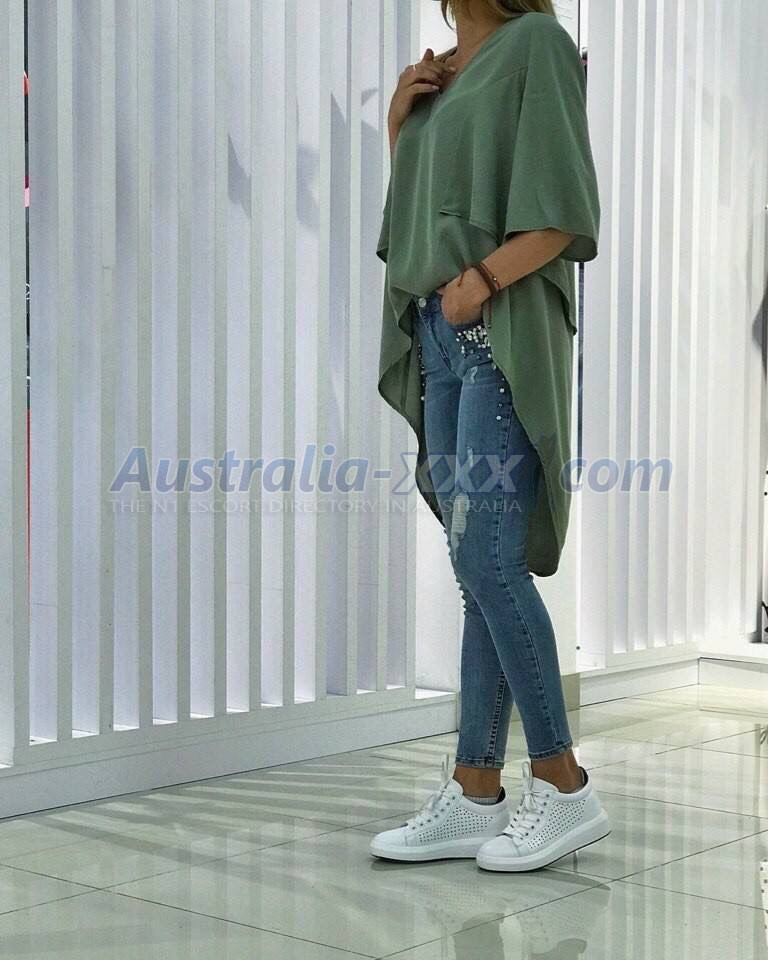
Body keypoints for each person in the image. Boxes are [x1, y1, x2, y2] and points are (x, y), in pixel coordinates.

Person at [370, 0, 611, 871]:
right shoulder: (442, 76)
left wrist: (481, 280)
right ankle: (476, 790)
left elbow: (565, 208)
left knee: (490, 562)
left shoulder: (535, 44)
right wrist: (400, 126)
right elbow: (421, 219)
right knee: (477, 569)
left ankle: (565, 783)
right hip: (439, 335)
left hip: (493, 330)